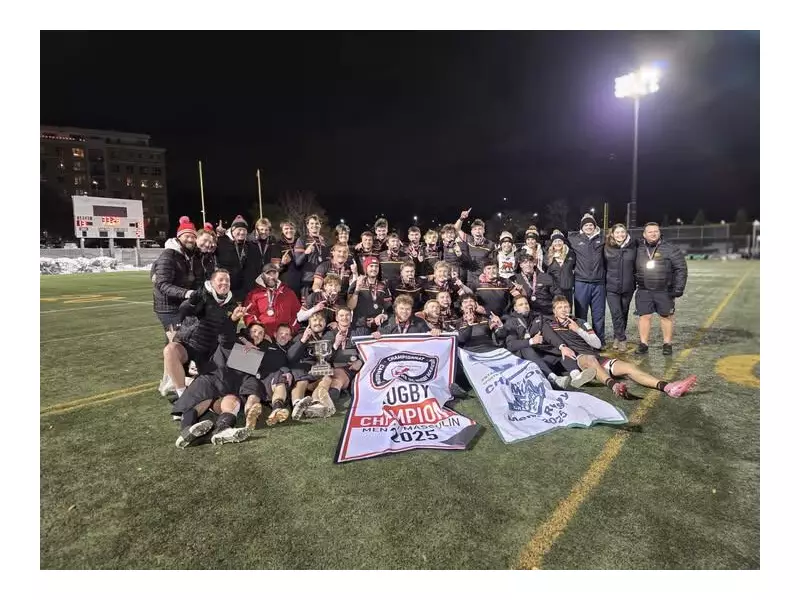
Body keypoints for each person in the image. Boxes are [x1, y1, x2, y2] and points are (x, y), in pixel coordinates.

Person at [543, 296, 697, 399]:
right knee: (589, 359)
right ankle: (615, 386)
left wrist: (577, 329)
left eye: (566, 306)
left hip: (597, 357)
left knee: (629, 368)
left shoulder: (580, 321)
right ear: (554, 311)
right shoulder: (550, 325)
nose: (564, 309)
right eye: (560, 307)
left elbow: (597, 344)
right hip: (579, 358)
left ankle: (668, 387)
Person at [161, 269, 246, 398]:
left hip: (210, 351)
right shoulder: (202, 294)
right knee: (170, 350)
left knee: (217, 386)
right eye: (220, 280)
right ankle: (182, 394)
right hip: (189, 343)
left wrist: (233, 319)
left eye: (227, 280)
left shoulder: (232, 303)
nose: (225, 283)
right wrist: (191, 302)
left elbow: (227, 334)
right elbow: (184, 310)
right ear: (212, 283)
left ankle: (187, 380)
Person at [633, 222, 688, 356]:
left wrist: (678, 288)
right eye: (650, 231)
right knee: (644, 316)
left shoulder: (670, 248)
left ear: (659, 232)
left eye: (656, 231)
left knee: (666, 316)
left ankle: (667, 344)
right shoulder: (638, 248)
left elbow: (681, 268)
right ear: (644, 234)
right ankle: (644, 343)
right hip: (644, 289)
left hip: (664, 289)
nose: (653, 233)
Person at [151, 216, 204, 338]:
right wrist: (186, 293)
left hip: (183, 304)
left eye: (193, 236)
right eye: (187, 236)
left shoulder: (191, 255)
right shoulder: (169, 255)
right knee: (175, 340)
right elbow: (163, 284)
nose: (190, 239)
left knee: (183, 338)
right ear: (179, 237)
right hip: (167, 307)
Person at [286, 312, 335, 420]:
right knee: (302, 379)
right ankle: (297, 404)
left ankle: (316, 403)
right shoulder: (300, 335)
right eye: (314, 320)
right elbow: (290, 357)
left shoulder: (330, 335)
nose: (318, 323)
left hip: (318, 369)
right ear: (309, 323)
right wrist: (303, 340)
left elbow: (330, 357)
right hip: (303, 367)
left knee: (327, 378)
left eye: (321, 320)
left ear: (325, 323)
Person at [569, 213, 607, 346]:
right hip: (581, 283)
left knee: (598, 315)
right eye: (586, 225)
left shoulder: (602, 239)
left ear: (595, 226)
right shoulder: (574, 239)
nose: (589, 227)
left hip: (598, 283)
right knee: (581, 316)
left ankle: (600, 341)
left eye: (591, 224)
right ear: (582, 227)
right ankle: (583, 341)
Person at [242, 262, 301, 339]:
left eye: (274, 273)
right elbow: (249, 314)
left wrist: (290, 330)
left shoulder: (289, 293)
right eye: (268, 274)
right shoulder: (254, 294)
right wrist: (258, 330)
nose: (271, 277)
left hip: (284, 337)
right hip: (263, 337)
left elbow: (298, 314)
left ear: (278, 275)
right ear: (262, 275)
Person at [604, 223, 637, 351]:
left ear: (626, 233)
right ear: (612, 234)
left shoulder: (633, 246)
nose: (620, 235)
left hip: (628, 287)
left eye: (622, 232)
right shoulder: (606, 247)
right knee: (616, 313)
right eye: (617, 232)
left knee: (624, 313)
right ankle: (622, 339)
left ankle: (617, 337)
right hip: (611, 287)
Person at [216, 214, 259, 301]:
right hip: (228, 290)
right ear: (232, 230)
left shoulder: (250, 246)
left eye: (244, 230)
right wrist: (218, 235)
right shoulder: (222, 242)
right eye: (239, 230)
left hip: (246, 290)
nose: (242, 232)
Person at [347, 256, 392, 330]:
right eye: (371, 266)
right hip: (359, 327)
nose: (374, 269)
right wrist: (357, 289)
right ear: (365, 268)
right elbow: (350, 306)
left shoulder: (383, 286)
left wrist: (384, 315)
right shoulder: (357, 283)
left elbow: (389, 309)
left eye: (376, 266)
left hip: (378, 326)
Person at [454, 208, 496, 287]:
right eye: (475, 229)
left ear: (484, 230)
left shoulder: (490, 244)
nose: (477, 231)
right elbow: (456, 229)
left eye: (480, 229)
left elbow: (492, 263)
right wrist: (461, 218)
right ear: (472, 232)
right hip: (468, 279)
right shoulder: (468, 239)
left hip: (483, 279)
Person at [294, 214, 329, 299]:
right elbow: (297, 263)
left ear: (320, 225)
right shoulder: (302, 240)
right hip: (307, 281)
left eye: (317, 223)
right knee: (307, 309)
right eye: (312, 223)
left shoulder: (324, 241)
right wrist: (306, 253)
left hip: (321, 281)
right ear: (308, 226)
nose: (314, 226)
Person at [269, 220, 303, 299]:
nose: (289, 231)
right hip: (286, 283)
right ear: (282, 230)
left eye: (291, 228)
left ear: (295, 230)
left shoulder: (300, 242)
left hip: (301, 283)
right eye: (286, 229)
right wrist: (282, 263)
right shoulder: (277, 245)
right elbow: (274, 268)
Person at [545, 229, 576, 308]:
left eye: (560, 241)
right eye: (555, 241)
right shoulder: (548, 256)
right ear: (552, 243)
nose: (558, 243)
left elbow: (575, 268)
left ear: (563, 242)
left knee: (567, 312)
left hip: (567, 290)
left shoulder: (571, 254)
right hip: (554, 291)